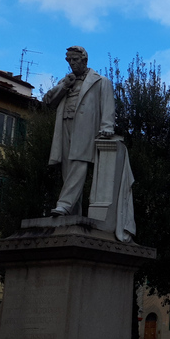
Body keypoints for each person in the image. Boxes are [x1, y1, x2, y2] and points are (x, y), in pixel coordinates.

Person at [43, 46, 115, 216]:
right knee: (67, 170)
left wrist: (107, 126)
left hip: (86, 128)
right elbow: (47, 101)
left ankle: (64, 204)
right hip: (65, 126)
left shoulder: (101, 81)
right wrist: (64, 87)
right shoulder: (66, 81)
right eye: (69, 60)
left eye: (75, 60)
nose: (72, 63)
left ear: (84, 60)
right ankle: (73, 213)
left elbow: (107, 105)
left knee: (78, 163)